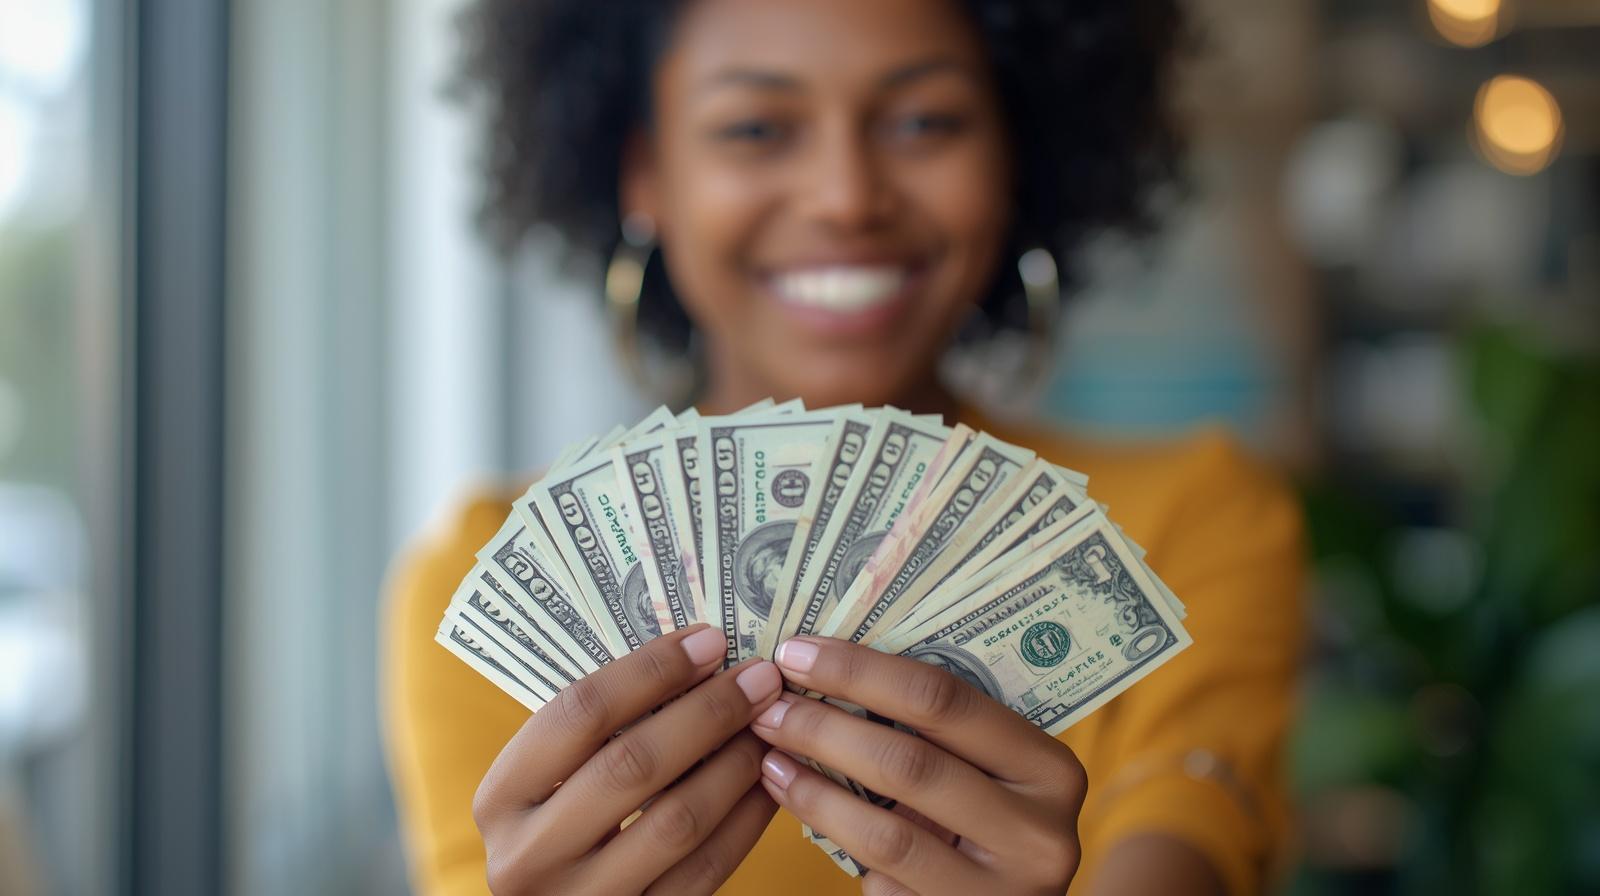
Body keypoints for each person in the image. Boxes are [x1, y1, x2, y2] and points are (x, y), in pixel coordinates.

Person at [381, 0, 1305, 893]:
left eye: (924, 122)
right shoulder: (471, 583)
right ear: (644, 175)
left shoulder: (1187, 524)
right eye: (755, 129)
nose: (847, 197)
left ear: (1016, 153)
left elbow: (1186, 828)